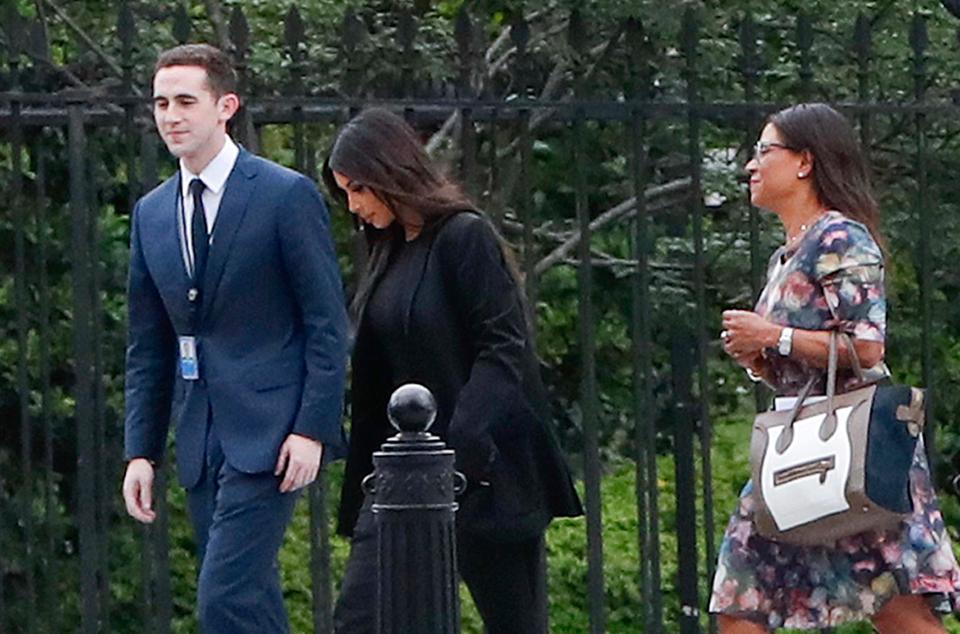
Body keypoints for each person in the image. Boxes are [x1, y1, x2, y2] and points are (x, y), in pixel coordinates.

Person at [322, 107, 583, 634]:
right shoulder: (388, 252)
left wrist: (462, 445)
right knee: (360, 617)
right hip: (402, 475)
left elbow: (504, 346)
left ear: (389, 174)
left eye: (359, 190)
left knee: (514, 623)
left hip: (484, 470)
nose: (354, 207)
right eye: (345, 193)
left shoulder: (464, 237)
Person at [120, 44, 348, 633]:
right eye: (161, 103)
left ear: (226, 106)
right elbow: (148, 344)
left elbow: (326, 322)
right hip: (199, 434)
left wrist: (312, 429)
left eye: (185, 101)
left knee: (224, 595)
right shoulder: (151, 213)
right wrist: (140, 451)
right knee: (250, 598)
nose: (171, 115)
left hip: (272, 431)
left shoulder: (283, 195)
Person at [710, 102, 960, 632]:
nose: (751, 166)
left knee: (899, 613)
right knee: (739, 601)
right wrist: (761, 357)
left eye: (763, 151)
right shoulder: (787, 255)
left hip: (853, 453)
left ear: (804, 162)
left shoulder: (840, 238)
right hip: (797, 451)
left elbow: (866, 348)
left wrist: (773, 335)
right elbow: (804, 359)